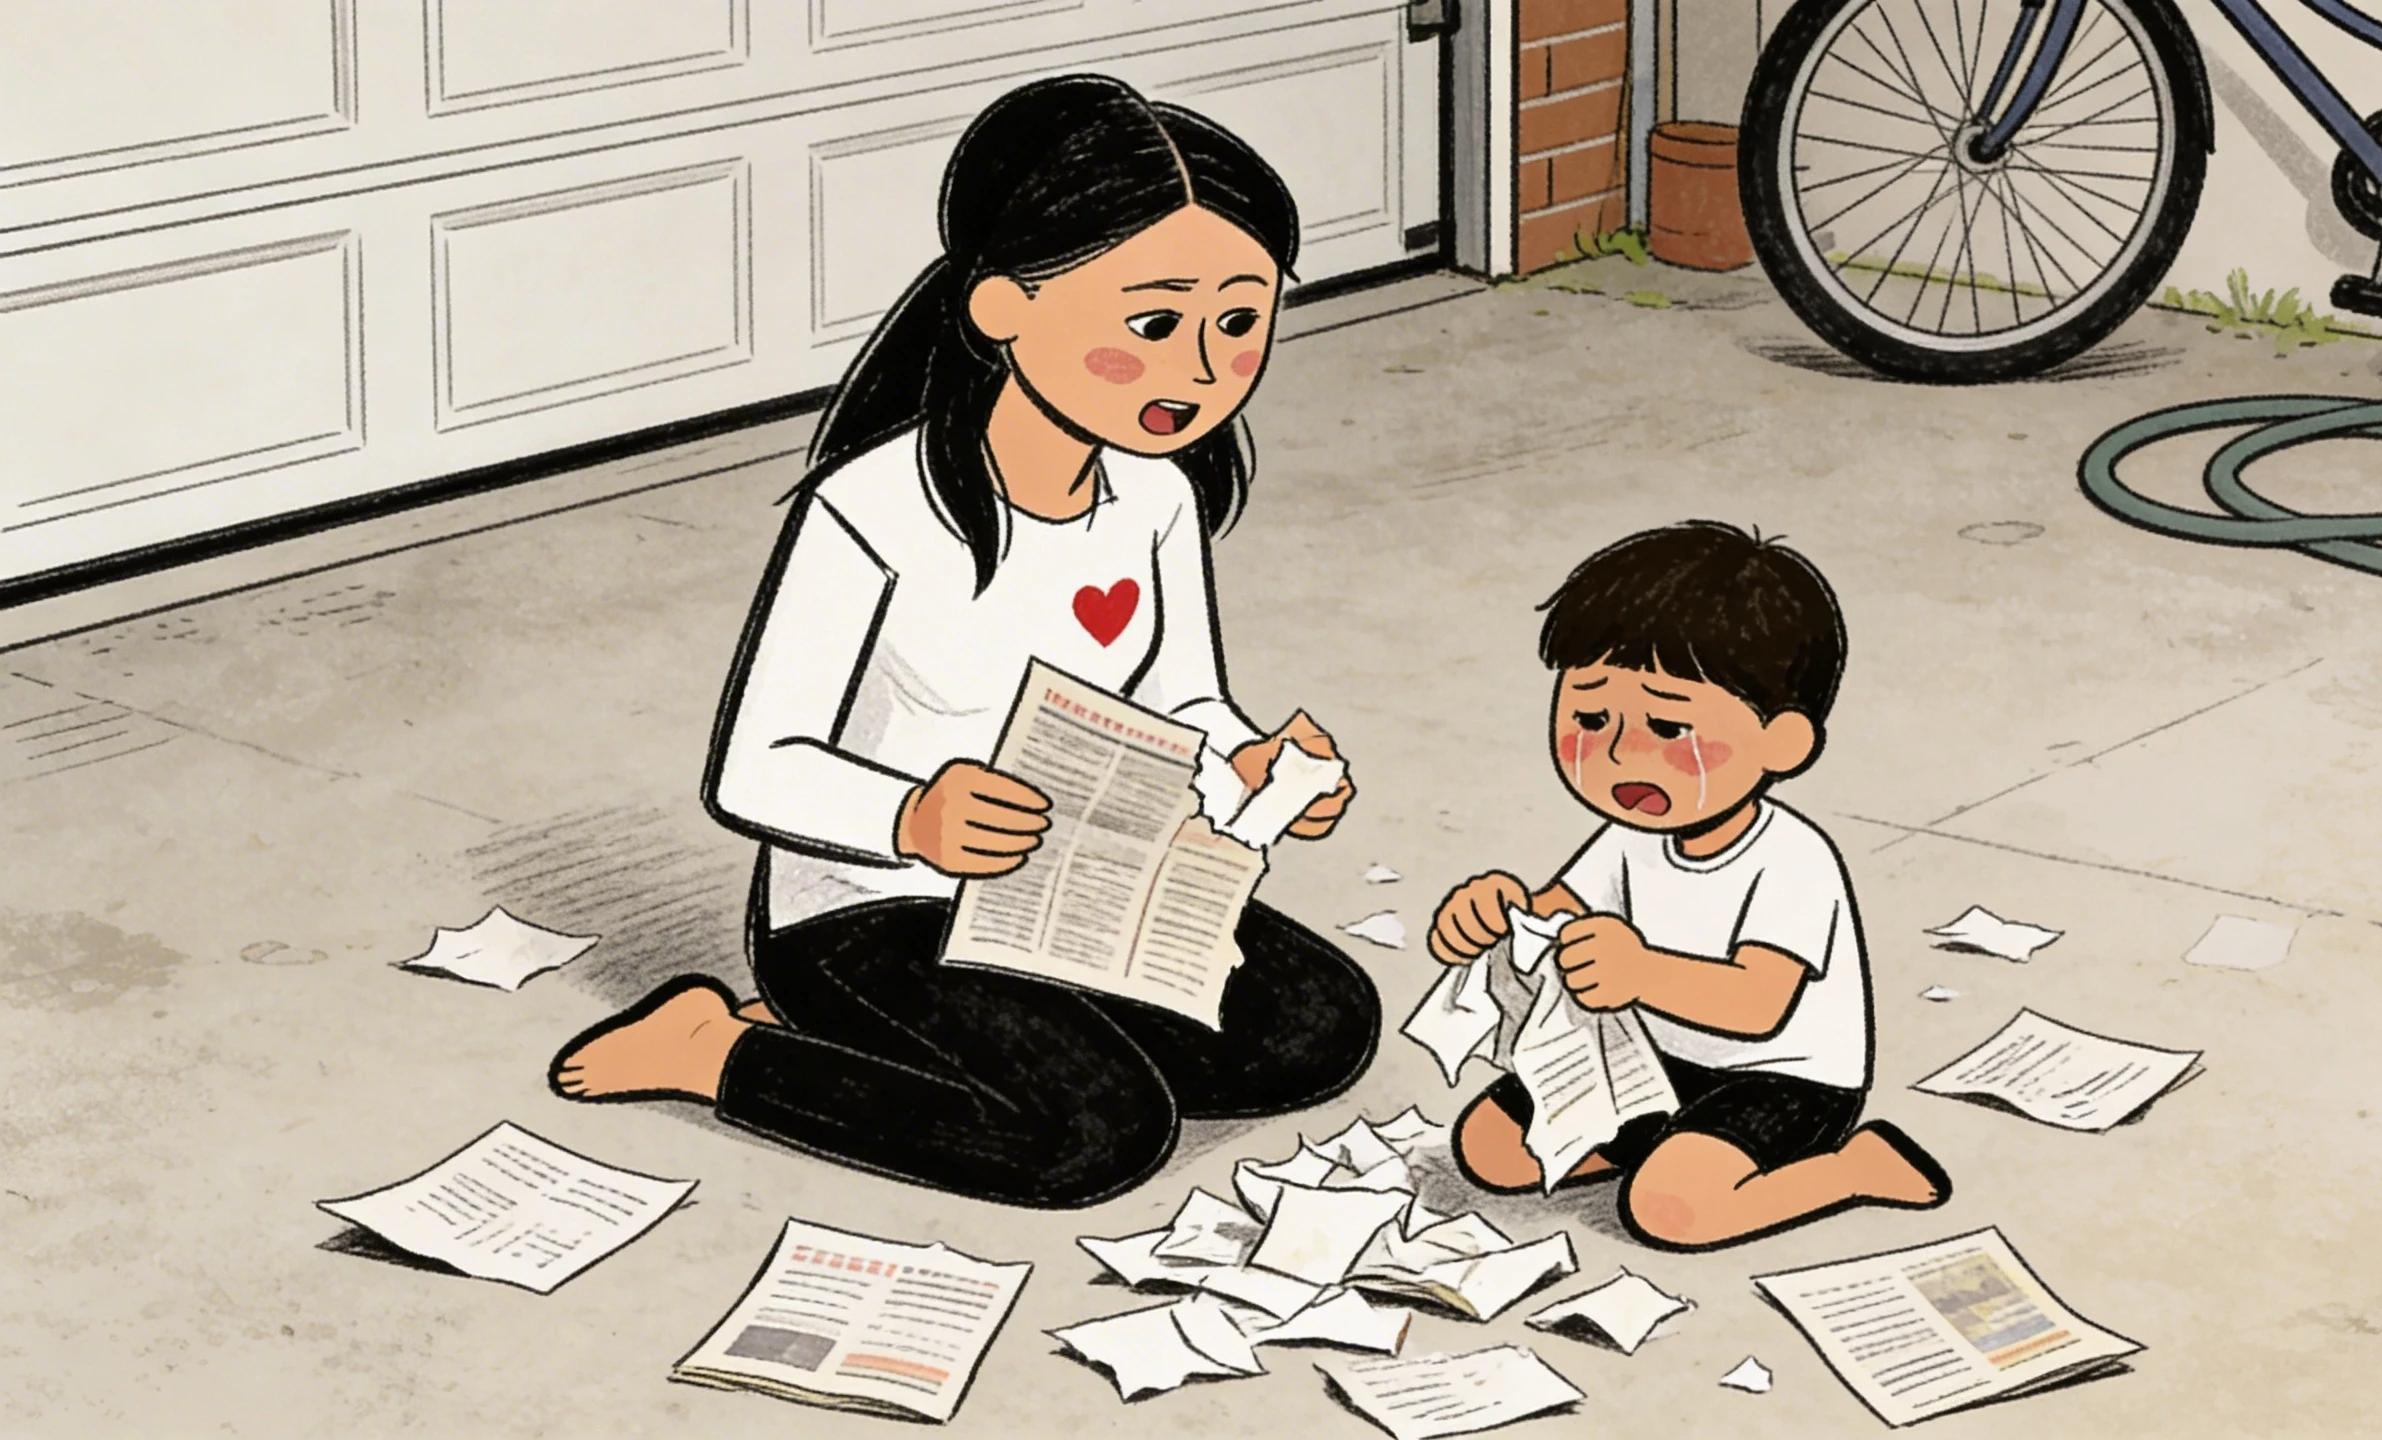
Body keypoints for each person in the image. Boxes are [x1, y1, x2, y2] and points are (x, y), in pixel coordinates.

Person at [545, 74, 1379, 1209]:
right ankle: (720, 1051)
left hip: (1077, 882)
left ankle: (1030, 1022)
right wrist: (913, 816)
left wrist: (1243, 763)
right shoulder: (873, 509)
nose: (1200, 369)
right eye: (1153, 322)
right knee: (1094, 1136)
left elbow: (1180, 697)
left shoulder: (1153, 500)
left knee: (1319, 1027)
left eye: (1239, 323)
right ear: (1004, 307)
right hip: (867, 906)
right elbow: (755, 764)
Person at [1427, 521, 1951, 1250]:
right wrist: (1492, 915)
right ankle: (1651, 1141)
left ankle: (1853, 1168)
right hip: (1650, 1057)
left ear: (1783, 742)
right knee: (1490, 1148)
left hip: (1777, 1083)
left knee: (1672, 1213)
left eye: (1670, 728)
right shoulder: (1627, 836)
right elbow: (1548, 915)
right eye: (1588, 716)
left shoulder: (1792, 859)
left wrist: (1639, 971)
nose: (1619, 753)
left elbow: (1757, 1004)